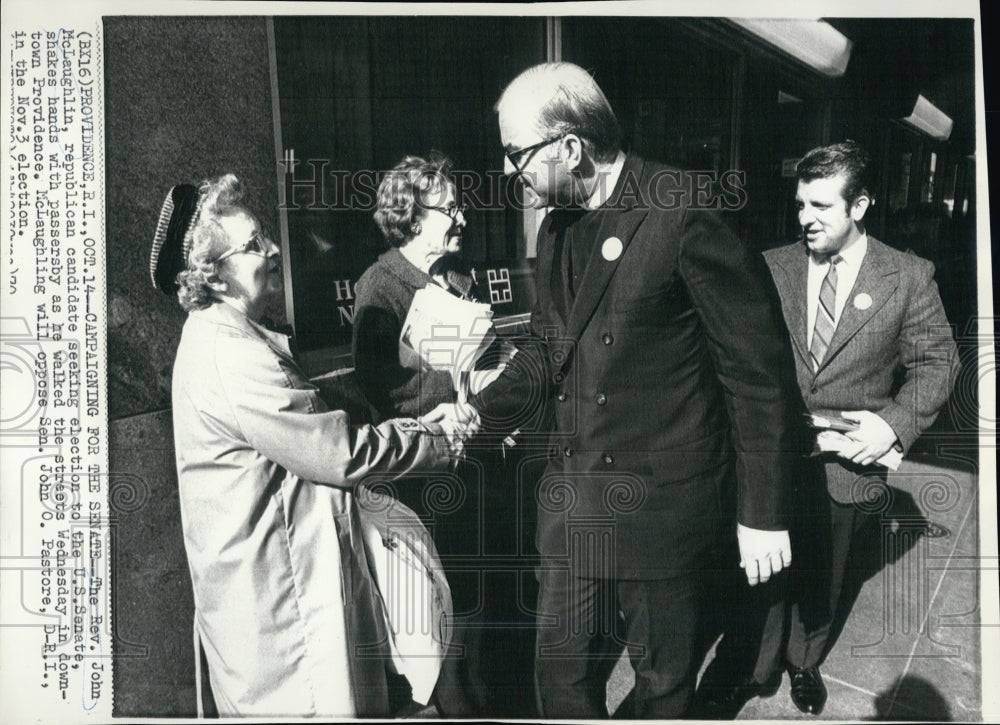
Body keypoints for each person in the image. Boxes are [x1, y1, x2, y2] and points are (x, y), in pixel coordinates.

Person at [493, 62, 799, 718]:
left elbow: (756, 372)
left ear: (570, 146)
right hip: (575, 503)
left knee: (663, 682)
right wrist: (477, 409)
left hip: (662, 510)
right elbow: (548, 346)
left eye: (516, 154)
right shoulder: (554, 229)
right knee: (560, 673)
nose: (509, 171)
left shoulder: (682, 208)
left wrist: (763, 510)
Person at [151, 174, 473, 717]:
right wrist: (438, 437)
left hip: (276, 591)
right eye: (253, 244)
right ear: (215, 275)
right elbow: (340, 452)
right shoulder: (231, 354)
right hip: (279, 608)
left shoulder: (228, 336)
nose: (274, 248)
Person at [757, 141, 959, 715]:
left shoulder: (907, 276)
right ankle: (759, 662)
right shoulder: (774, 265)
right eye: (800, 205)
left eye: (821, 206)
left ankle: (804, 661)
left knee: (825, 571)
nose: (805, 219)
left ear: (860, 205)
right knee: (769, 561)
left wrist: (892, 425)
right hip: (776, 448)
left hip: (847, 459)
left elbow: (939, 364)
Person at [353, 153, 528, 716]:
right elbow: (379, 395)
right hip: (425, 481)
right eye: (449, 207)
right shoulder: (380, 287)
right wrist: (438, 410)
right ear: (411, 213)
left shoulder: (457, 277)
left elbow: (482, 358)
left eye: (460, 206)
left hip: (479, 466)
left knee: (487, 604)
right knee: (443, 611)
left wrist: (491, 382)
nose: (462, 218)